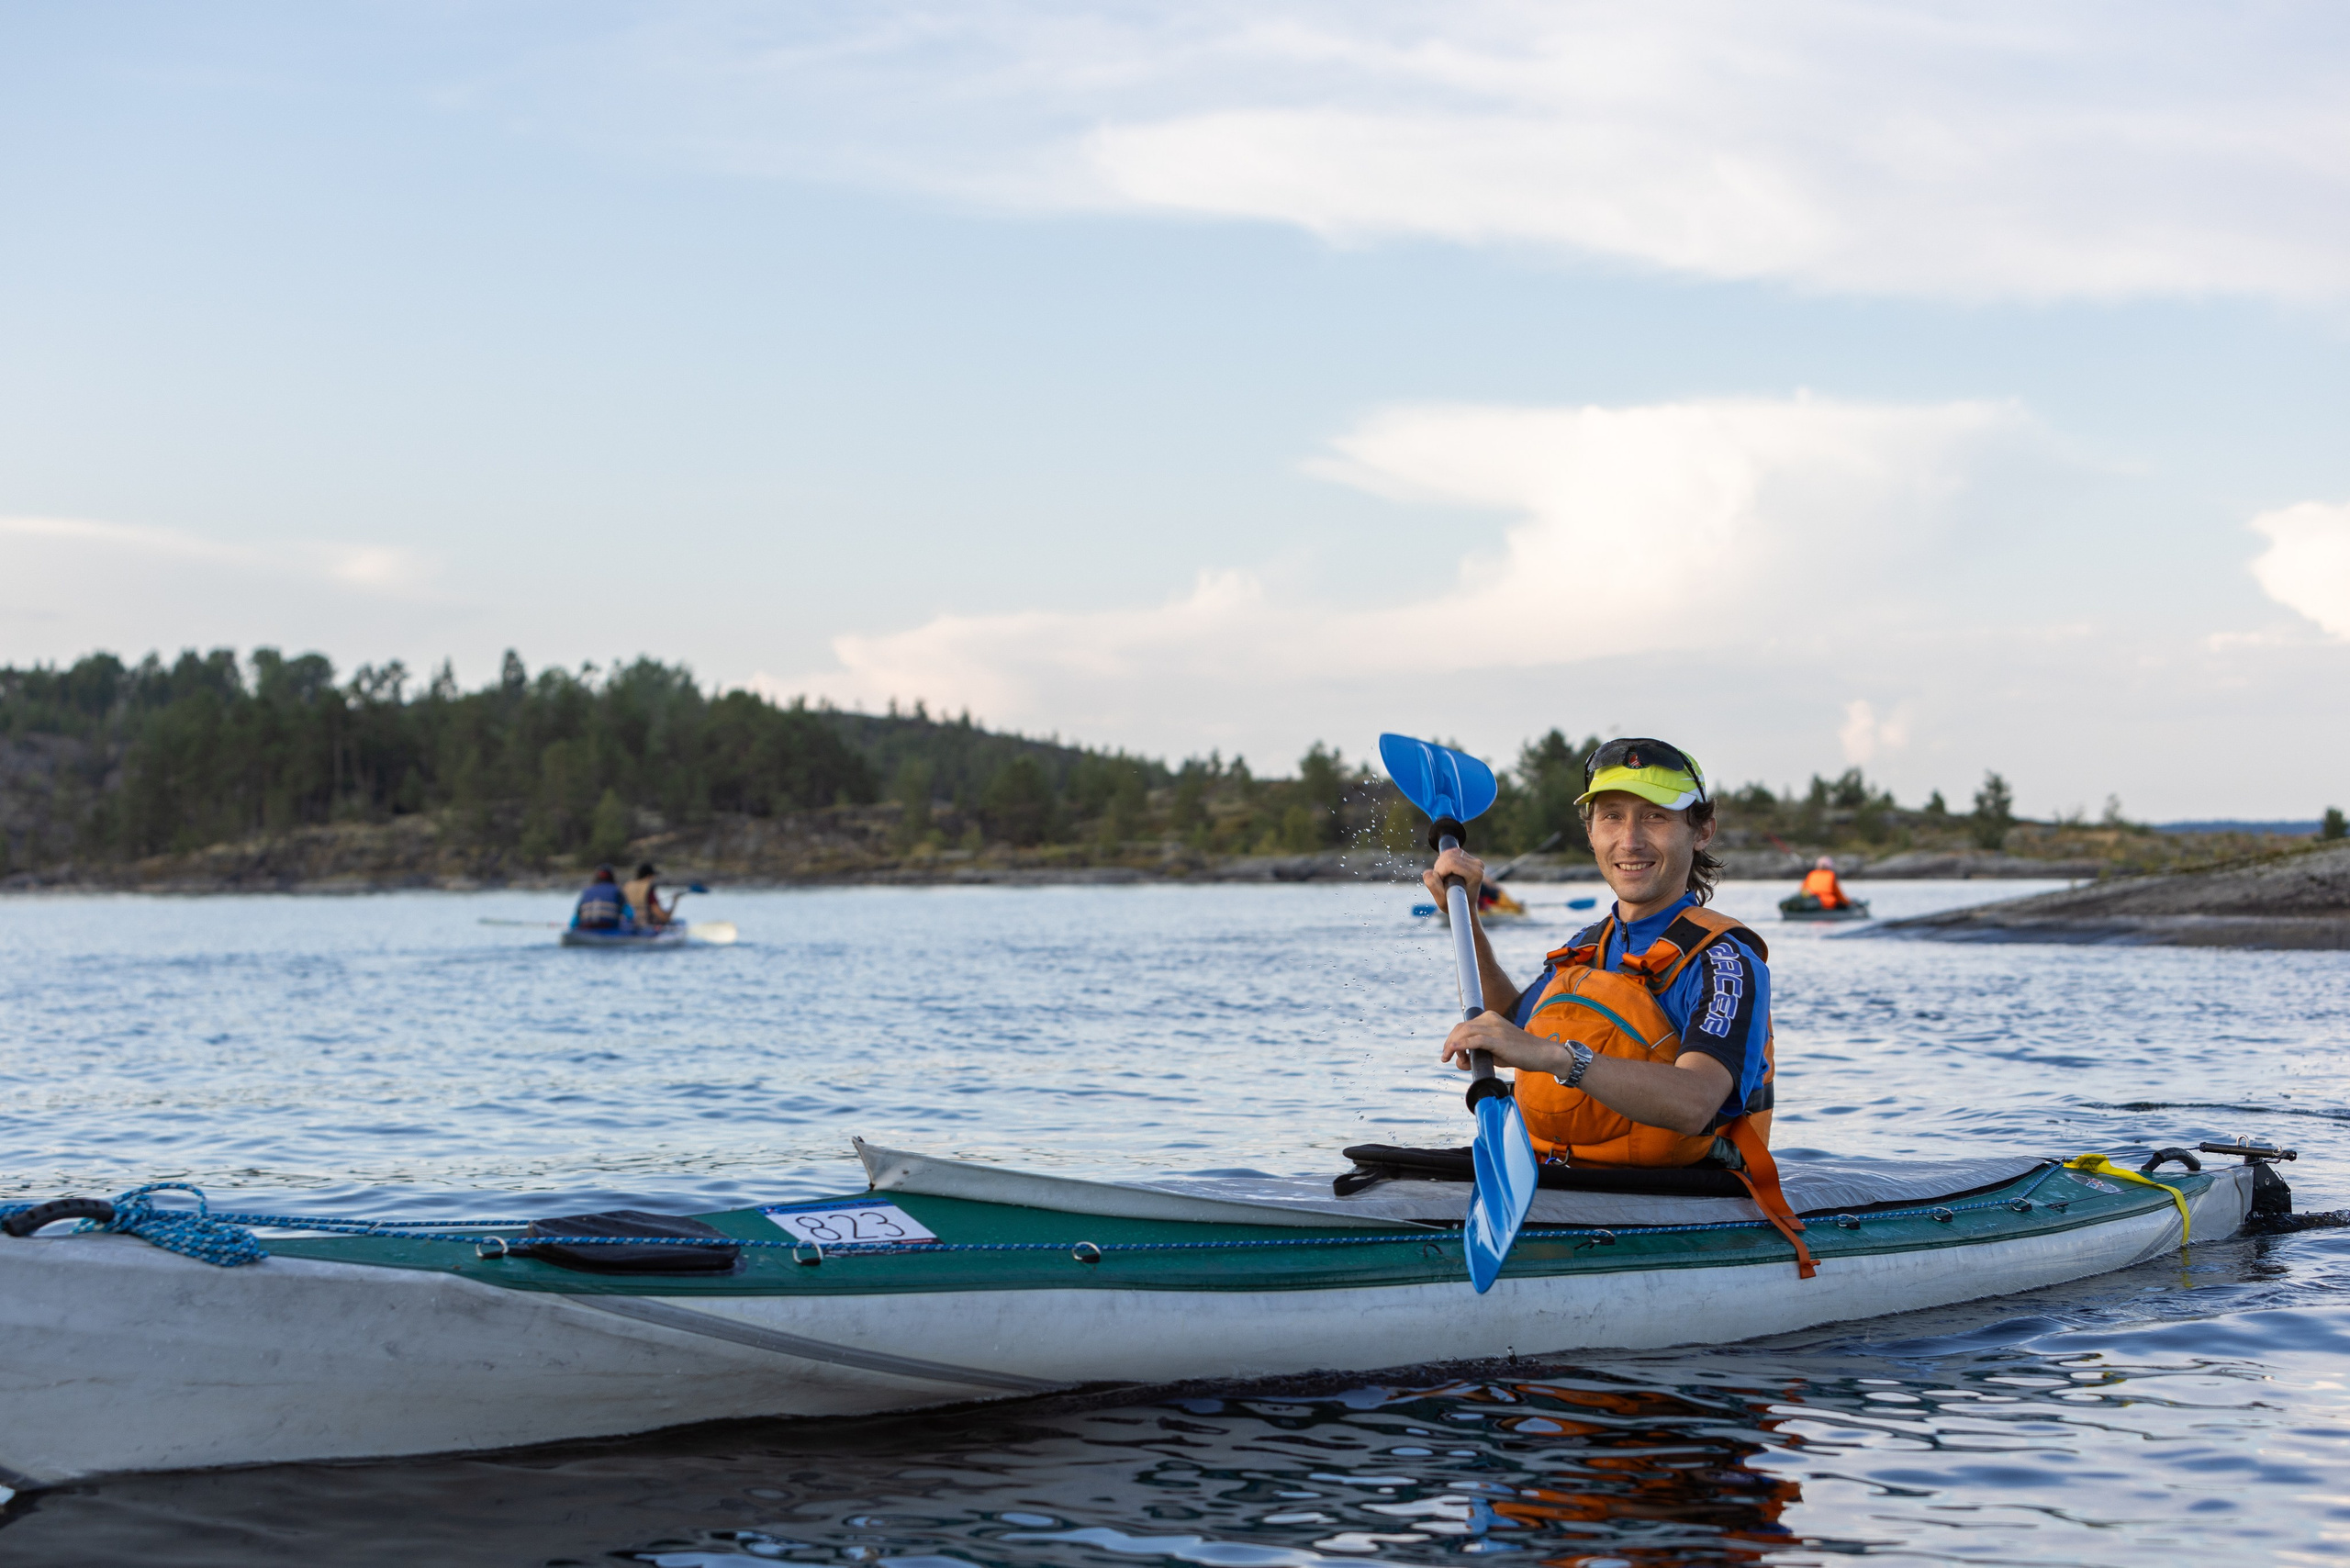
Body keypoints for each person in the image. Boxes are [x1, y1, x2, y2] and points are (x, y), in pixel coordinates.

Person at [1422, 736, 1811, 1270]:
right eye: (1611, 817)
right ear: (1590, 832)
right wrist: (1463, 919)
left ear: (1701, 831)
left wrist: (1559, 1056)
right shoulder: (1590, 945)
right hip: (1570, 1179)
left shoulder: (1724, 961)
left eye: (1654, 817)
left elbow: (1695, 1101)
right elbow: (1514, 1028)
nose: (1629, 840)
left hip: (1684, 1202)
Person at [573, 865, 632, 931]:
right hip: (609, 926)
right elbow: (629, 915)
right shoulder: (617, 890)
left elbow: (574, 921)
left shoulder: (586, 891)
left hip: (586, 926)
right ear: (612, 877)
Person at [621, 861, 672, 927]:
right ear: (649, 876)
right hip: (644, 926)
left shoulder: (627, 886)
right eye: (653, 876)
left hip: (626, 925)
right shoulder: (648, 888)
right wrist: (674, 902)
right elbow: (663, 917)